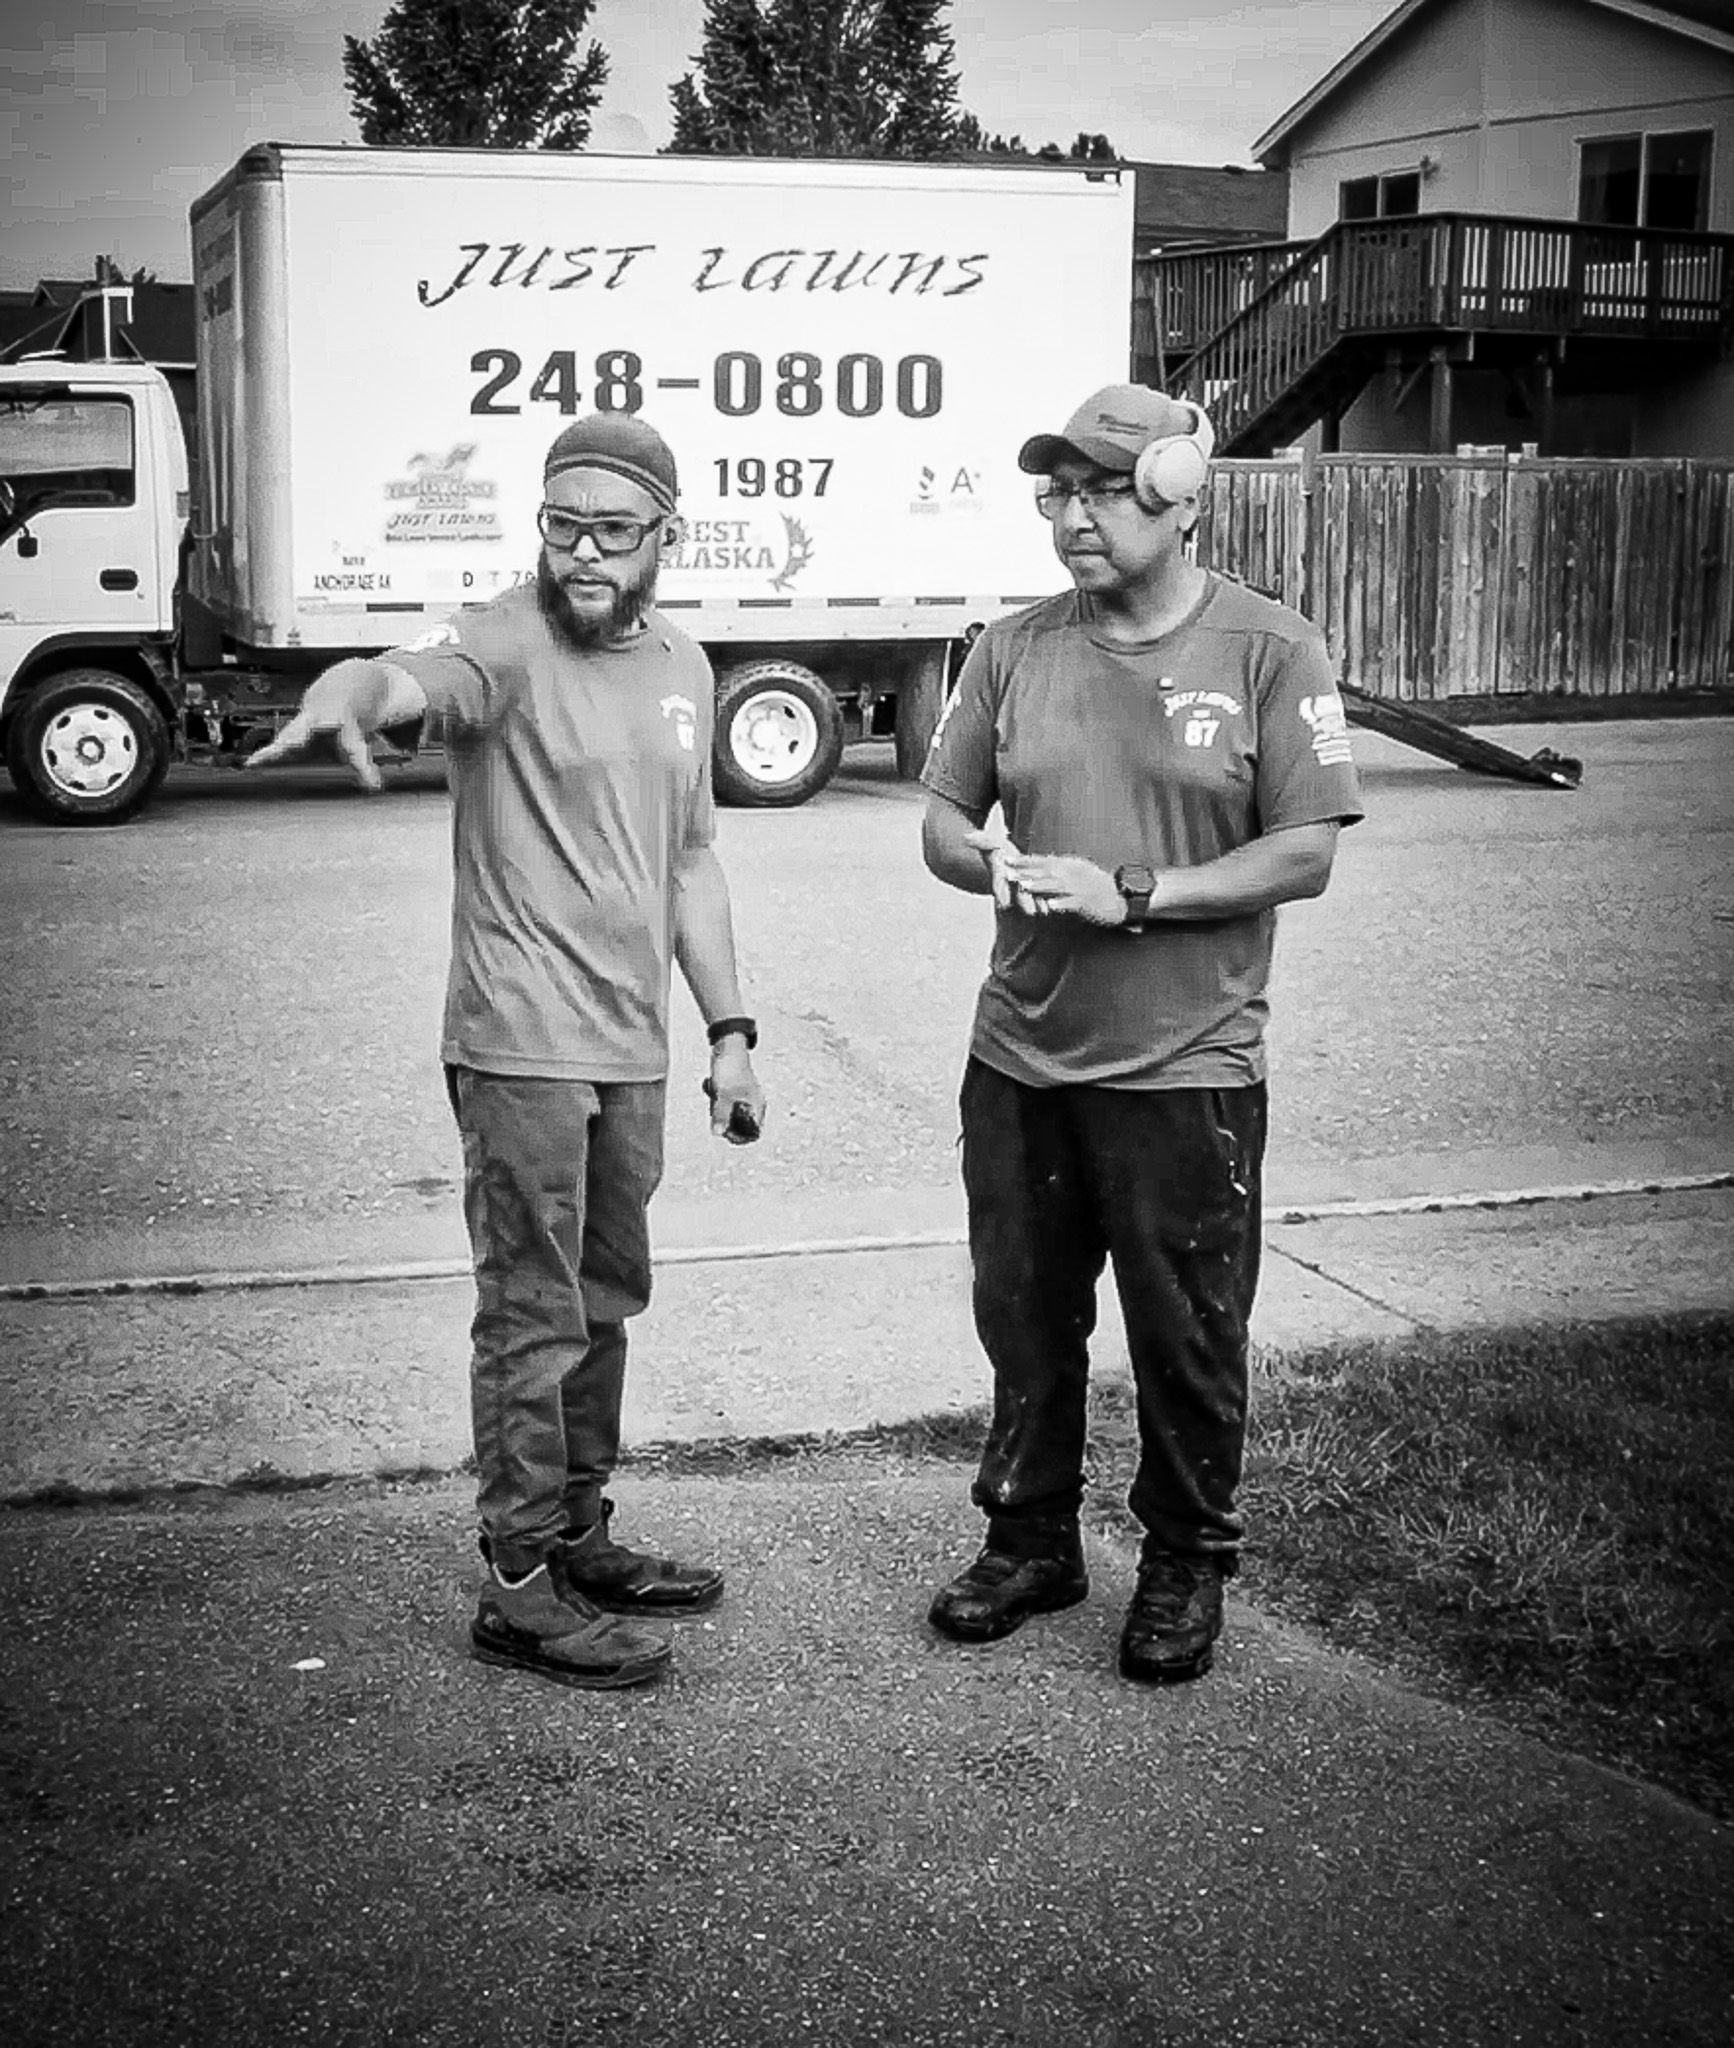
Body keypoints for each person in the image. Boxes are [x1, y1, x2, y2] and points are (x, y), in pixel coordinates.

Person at [250, 413, 766, 1691]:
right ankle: (520, 1583)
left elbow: (693, 857)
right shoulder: (501, 640)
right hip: (519, 1043)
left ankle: (583, 1531)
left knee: (605, 1304)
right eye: (562, 523)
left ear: (666, 536)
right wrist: (343, 692)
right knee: (532, 1316)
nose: (584, 553)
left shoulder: (687, 666)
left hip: (632, 1047)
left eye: (614, 529)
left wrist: (732, 1031)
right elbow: (400, 674)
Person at [920, 384, 1363, 1684]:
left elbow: (1301, 855)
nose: (1070, 516)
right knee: (1023, 1317)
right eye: (1055, 490)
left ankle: (1183, 1563)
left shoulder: (1267, 650)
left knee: (1185, 1333)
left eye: (1101, 488)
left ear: (1178, 492)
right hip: (1018, 1060)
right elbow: (942, 817)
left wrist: (1134, 894)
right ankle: (1030, 1539)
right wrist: (981, 862)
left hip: (1186, 1074)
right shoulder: (1011, 647)